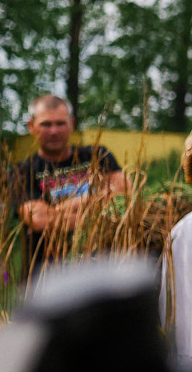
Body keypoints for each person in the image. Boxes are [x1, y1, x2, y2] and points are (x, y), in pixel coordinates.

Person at [7, 94, 128, 270]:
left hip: (102, 269)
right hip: (47, 274)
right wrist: (100, 209)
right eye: (46, 124)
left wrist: (57, 210)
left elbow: (123, 198)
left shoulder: (98, 156)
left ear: (72, 123)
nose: (54, 131)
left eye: (60, 123)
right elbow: (38, 219)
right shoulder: (22, 172)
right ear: (31, 126)